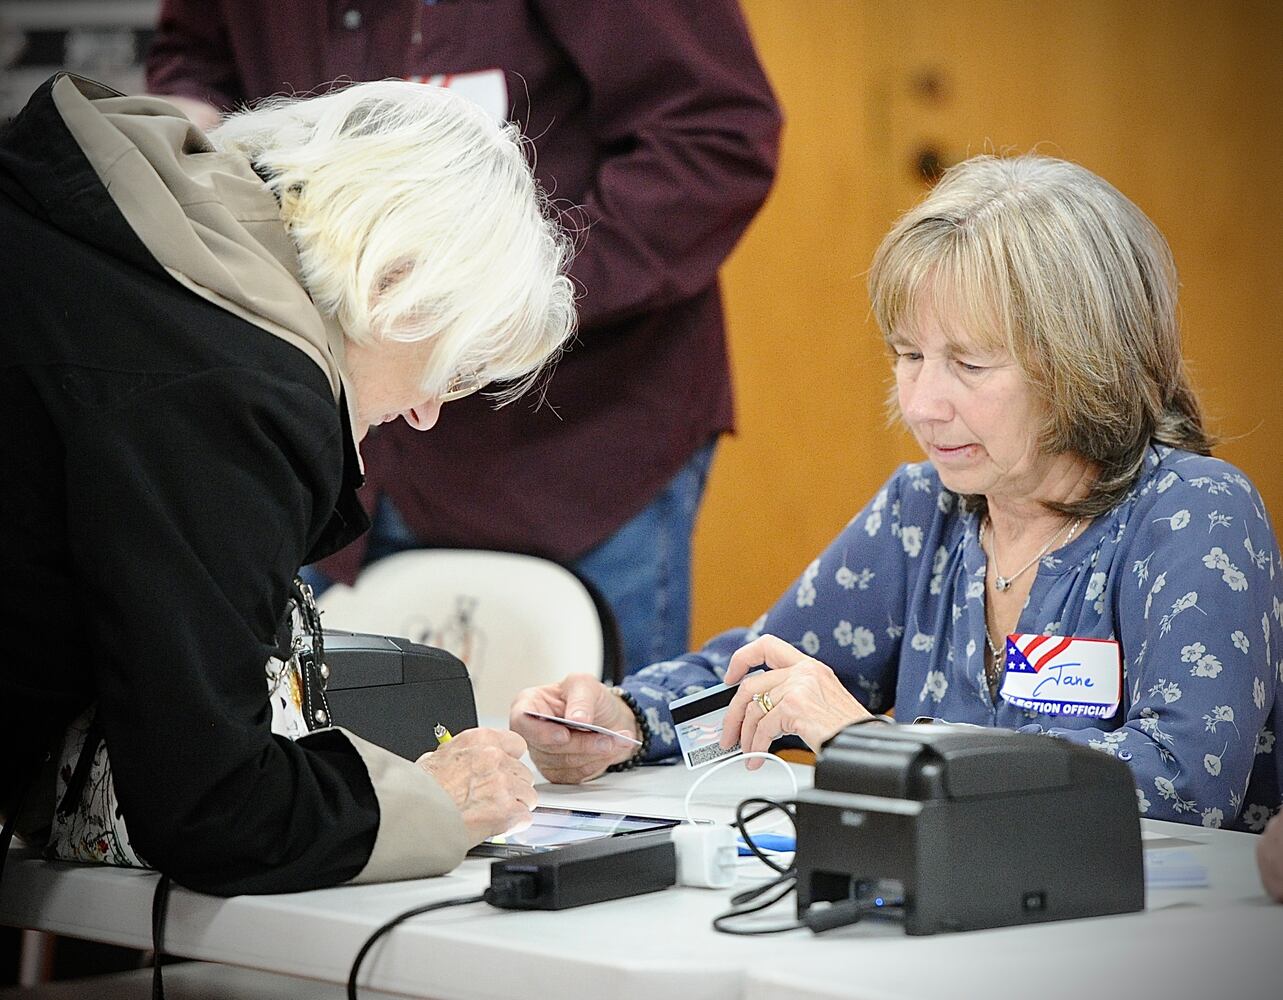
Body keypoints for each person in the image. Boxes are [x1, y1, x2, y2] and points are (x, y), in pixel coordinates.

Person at [511, 153, 1283, 834]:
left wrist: (871, 745)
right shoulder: (927, 510)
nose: (920, 404)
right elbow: (770, 677)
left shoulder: (1192, 511)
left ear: (1085, 364)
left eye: (970, 366)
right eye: (908, 356)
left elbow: (1185, 782)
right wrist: (623, 720)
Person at [0, 73, 575, 894]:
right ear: (392, 284)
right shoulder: (244, 386)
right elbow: (212, 805)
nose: (425, 415)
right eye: (454, 369)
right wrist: (432, 804)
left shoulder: (108, 248)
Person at [143, 0, 782, 676]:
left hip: (574, 446)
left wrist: (484, 307)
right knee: (328, 743)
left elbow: (715, 139)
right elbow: (195, 65)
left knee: (577, 752)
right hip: (319, 437)